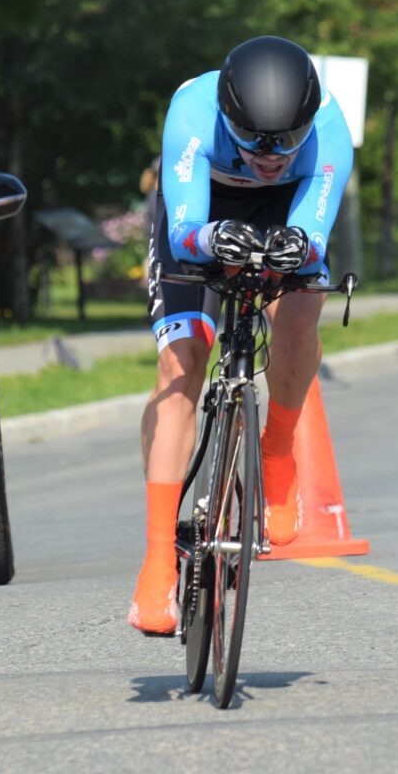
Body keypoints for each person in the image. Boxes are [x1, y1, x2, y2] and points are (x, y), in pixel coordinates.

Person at [129, 35, 353, 634]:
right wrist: (209, 239)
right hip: (204, 212)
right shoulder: (192, 112)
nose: (269, 155)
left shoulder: (330, 128)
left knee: (300, 315)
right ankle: (157, 560)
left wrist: (298, 248)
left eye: (286, 141)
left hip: (285, 210)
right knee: (181, 366)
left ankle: (276, 450)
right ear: (227, 116)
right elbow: (183, 230)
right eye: (252, 140)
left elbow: (314, 235)